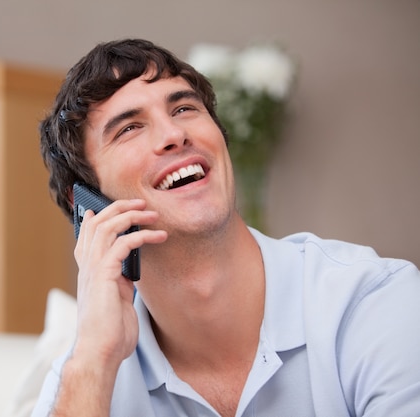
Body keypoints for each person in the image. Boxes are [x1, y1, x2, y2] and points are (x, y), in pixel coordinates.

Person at [32, 38, 420, 417]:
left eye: (184, 109)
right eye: (129, 128)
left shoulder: (373, 302)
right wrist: (94, 359)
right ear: (86, 205)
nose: (173, 135)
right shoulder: (86, 372)